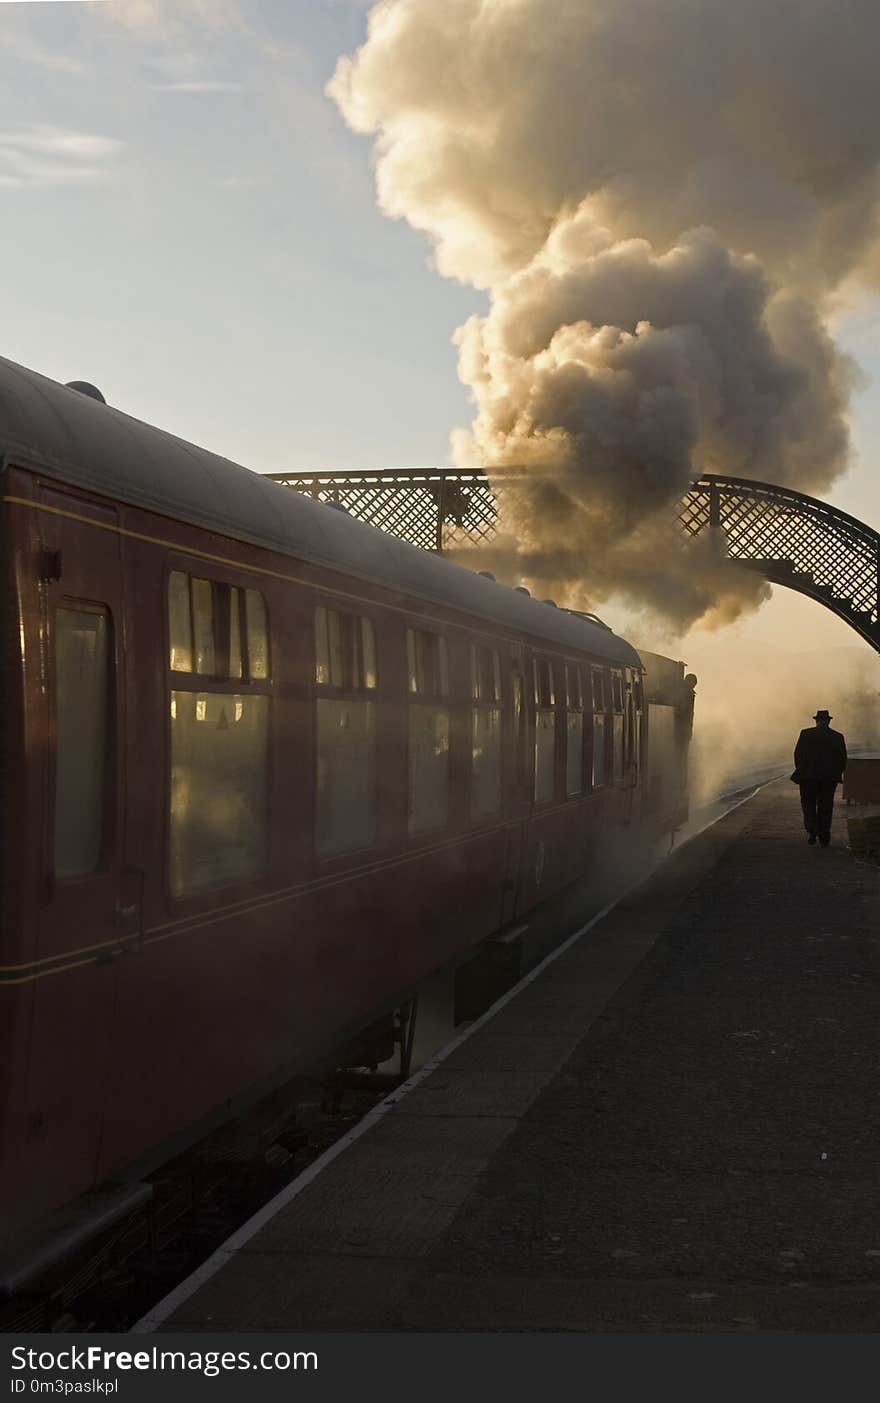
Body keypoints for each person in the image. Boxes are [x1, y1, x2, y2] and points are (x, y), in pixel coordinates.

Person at [793, 710, 847, 848]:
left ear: (816, 721)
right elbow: (842, 759)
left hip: (808, 777)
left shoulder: (805, 734)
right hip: (829, 778)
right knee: (826, 806)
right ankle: (824, 837)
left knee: (808, 803)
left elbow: (797, 754)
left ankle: (812, 829)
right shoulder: (837, 737)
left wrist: (802, 769)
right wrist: (837, 773)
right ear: (829, 721)